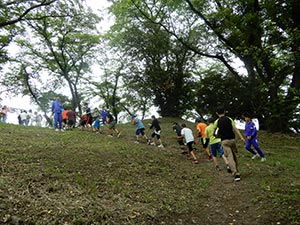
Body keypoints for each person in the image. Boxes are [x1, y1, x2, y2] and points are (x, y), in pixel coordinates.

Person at [213, 106, 245, 181]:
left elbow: (213, 132)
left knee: (230, 157)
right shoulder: (229, 119)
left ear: (217, 113)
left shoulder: (217, 121)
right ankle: (237, 170)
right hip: (232, 140)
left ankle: (236, 174)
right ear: (224, 112)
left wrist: (216, 136)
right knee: (234, 156)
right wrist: (241, 137)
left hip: (224, 141)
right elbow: (235, 129)